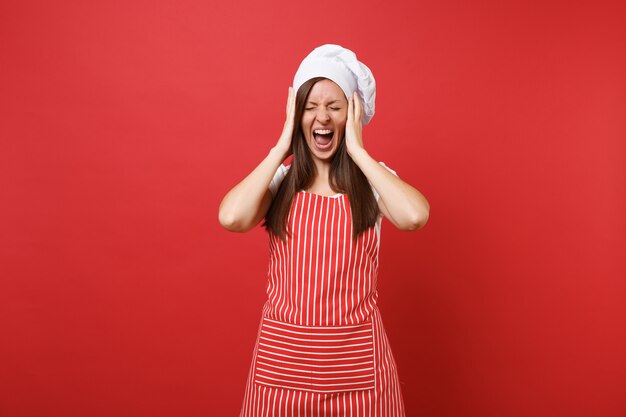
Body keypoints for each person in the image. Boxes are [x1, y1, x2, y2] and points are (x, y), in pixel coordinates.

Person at [219, 44, 430, 417]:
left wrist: (360, 153)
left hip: (359, 380)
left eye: (335, 107)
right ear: (296, 113)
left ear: (353, 114)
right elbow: (232, 218)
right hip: (280, 376)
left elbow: (414, 216)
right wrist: (281, 143)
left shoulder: (372, 185)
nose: (322, 118)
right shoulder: (280, 182)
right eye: (310, 107)